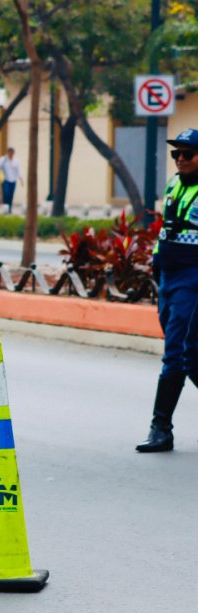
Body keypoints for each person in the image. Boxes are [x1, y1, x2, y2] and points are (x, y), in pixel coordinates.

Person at [135, 129, 198, 453]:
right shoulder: (174, 184)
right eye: (177, 154)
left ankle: (161, 428)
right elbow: (165, 228)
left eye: (188, 153)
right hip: (170, 278)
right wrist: (157, 264)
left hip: (193, 279)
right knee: (192, 358)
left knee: (176, 353)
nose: (181, 159)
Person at [0, 147, 22, 214]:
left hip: (13, 180)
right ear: (7, 153)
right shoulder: (3, 159)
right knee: (6, 193)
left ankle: (9, 209)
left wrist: (21, 179)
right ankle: (5, 208)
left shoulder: (16, 161)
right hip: (5, 180)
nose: (11, 155)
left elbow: (18, 171)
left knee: (11, 195)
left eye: (12, 153)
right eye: (9, 153)